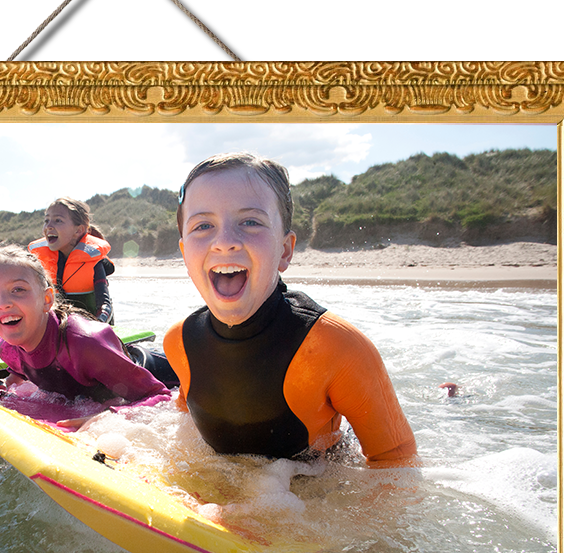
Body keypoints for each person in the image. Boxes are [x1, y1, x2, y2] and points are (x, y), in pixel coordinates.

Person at [163, 152, 418, 465]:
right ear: (184, 252)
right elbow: (184, 431)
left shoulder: (337, 347)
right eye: (203, 225)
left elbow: (396, 461)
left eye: (250, 222)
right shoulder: (179, 342)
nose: (224, 242)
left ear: (285, 250)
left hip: (318, 488)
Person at [0, 245, 171, 408]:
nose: (2, 303)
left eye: (18, 289)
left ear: (47, 299)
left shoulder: (85, 343)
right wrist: (6, 388)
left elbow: (159, 396)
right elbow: (21, 374)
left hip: (163, 373)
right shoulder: (7, 349)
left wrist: (103, 420)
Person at [28, 197, 115, 323]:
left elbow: (105, 306)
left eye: (58, 220)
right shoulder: (41, 263)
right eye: (46, 220)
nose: (49, 226)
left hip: (93, 328)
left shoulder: (94, 262)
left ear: (78, 230)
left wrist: (97, 326)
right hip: (59, 328)